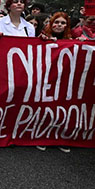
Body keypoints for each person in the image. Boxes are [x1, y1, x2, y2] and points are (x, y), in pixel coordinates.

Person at [37, 12, 73, 153]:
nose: (59, 25)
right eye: (56, 22)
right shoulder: (42, 37)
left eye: (63, 23)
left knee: (63, 108)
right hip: (46, 78)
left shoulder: (73, 40)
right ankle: (43, 136)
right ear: (51, 24)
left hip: (64, 79)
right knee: (46, 107)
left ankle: (61, 138)